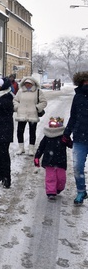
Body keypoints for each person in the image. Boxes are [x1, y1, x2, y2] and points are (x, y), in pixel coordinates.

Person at [63, 71, 88, 205]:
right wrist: (66, 133)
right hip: (80, 137)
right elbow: (73, 116)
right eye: (84, 82)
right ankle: (80, 191)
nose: (86, 84)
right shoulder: (78, 97)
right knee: (78, 166)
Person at [34, 117, 68, 200]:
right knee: (50, 178)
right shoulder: (47, 137)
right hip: (49, 161)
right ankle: (51, 192)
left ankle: (59, 188)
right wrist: (37, 157)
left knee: (61, 178)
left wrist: (67, 140)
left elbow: (71, 145)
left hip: (61, 161)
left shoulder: (63, 137)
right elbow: (41, 147)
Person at [13, 76, 46, 155]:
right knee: (20, 131)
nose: (28, 85)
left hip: (32, 115)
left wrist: (37, 108)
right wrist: (17, 107)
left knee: (32, 131)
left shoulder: (38, 91)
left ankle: (31, 148)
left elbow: (44, 102)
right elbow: (15, 100)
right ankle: (21, 148)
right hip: (21, 114)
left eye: (29, 83)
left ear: (33, 84)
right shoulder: (20, 91)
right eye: (26, 83)